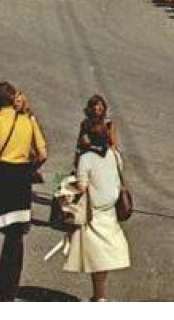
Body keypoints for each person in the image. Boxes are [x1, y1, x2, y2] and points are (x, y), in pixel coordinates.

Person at [0, 81, 47, 302]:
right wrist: (29, 168)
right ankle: (9, 291)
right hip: (20, 179)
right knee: (15, 237)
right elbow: (43, 154)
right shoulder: (27, 121)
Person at [64, 118, 130, 301]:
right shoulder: (114, 155)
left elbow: (82, 186)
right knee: (101, 257)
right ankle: (98, 295)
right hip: (110, 211)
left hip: (94, 213)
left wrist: (65, 185)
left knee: (97, 257)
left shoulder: (86, 159)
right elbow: (119, 173)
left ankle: (100, 298)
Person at [76, 96, 118, 161]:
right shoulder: (85, 123)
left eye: (100, 105)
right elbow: (80, 142)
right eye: (96, 105)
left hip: (104, 153)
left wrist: (112, 156)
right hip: (88, 152)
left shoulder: (108, 123)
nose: (98, 107)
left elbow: (113, 144)